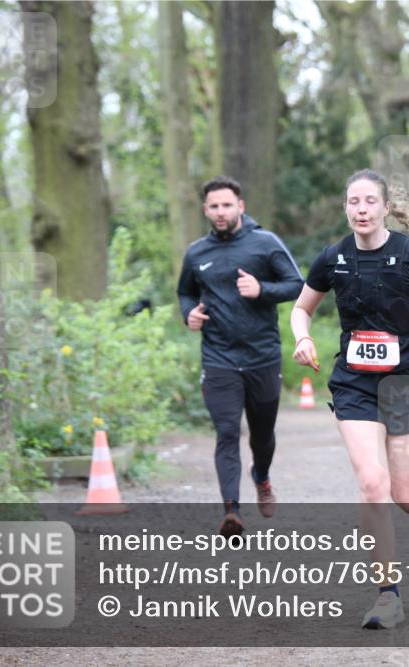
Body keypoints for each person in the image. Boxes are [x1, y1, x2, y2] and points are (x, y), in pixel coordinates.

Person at [290, 169, 409, 629]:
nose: (361, 209)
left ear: (386, 207)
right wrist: (302, 337)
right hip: (355, 384)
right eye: (354, 201)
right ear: (345, 207)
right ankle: (388, 596)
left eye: (370, 201)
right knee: (372, 483)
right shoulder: (333, 258)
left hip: (408, 380)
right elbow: (301, 308)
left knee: (407, 496)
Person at [177, 176, 304, 537]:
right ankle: (231, 511)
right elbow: (185, 292)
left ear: (241, 206)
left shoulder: (265, 243)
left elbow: (297, 284)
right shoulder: (196, 253)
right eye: (214, 206)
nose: (221, 212)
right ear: (206, 210)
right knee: (227, 431)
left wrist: (262, 289)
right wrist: (189, 314)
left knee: (262, 436)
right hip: (219, 358)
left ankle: (261, 476)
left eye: (227, 205)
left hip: (262, 356)